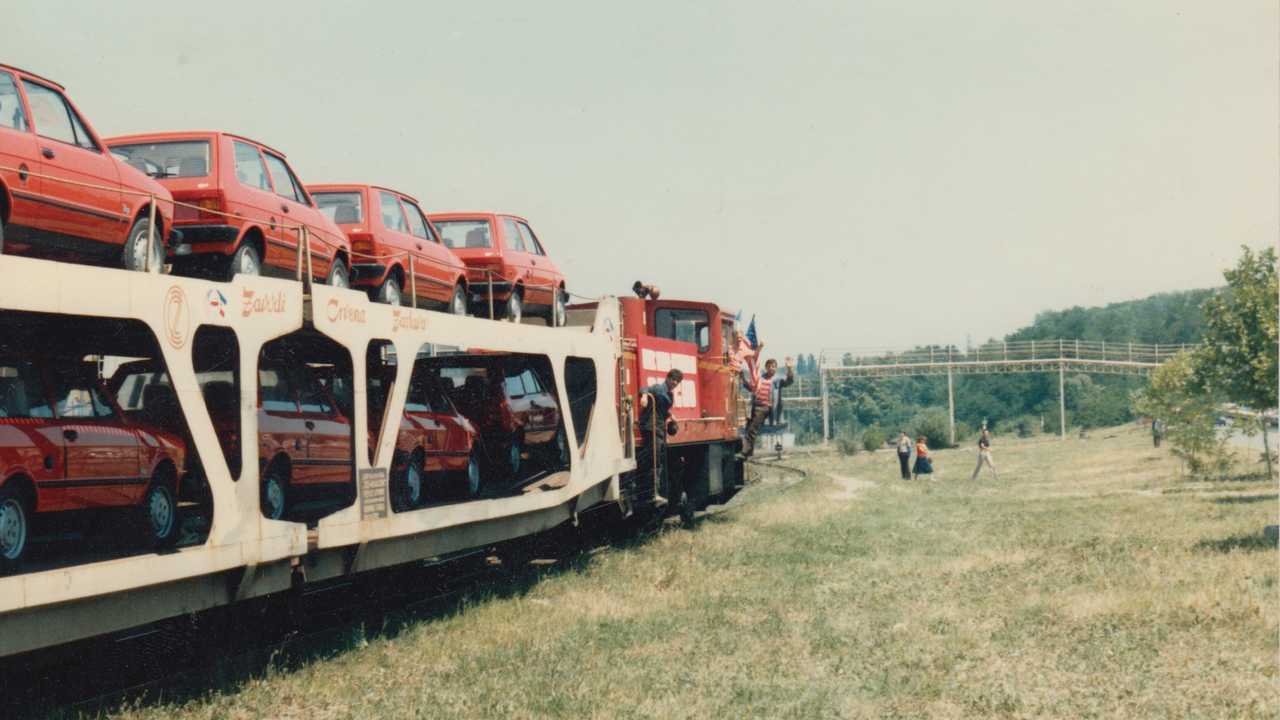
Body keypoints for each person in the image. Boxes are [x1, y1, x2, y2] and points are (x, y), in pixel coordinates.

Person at [638, 368, 682, 503]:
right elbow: (644, 388)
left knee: (659, 461)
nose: (675, 382)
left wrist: (670, 415)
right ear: (667, 378)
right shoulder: (658, 388)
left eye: (677, 381)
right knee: (653, 460)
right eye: (673, 379)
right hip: (650, 427)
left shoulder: (670, 395)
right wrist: (644, 396)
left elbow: (662, 408)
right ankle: (651, 494)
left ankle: (655, 492)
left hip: (660, 429)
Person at [742, 355, 794, 457]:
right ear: (766, 368)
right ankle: (748, 452)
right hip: (758, 406)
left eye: (773, 366)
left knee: (752, 428)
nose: (771, 368)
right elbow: (751, 388)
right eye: (769, 366)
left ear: (776, 368)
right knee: (751, 428)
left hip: (770, 408)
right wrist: (743, 379)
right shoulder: (760, 378)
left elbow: (789, 381)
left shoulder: (778, 379)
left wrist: (789, 368)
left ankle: (746, 452)